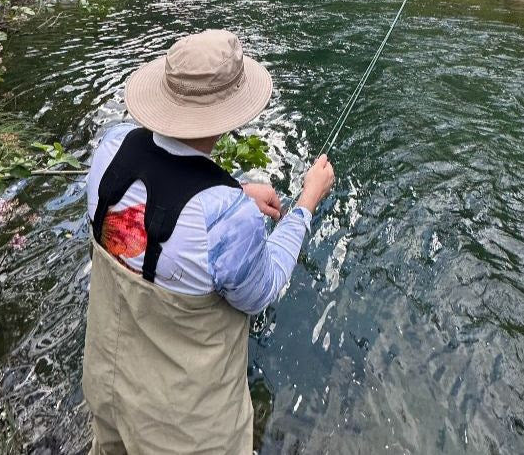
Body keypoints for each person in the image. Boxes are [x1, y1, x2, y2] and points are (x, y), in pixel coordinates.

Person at [82, 29, 335, 454]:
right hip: (184, 426)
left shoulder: (111, 148)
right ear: (231, 112)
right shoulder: (226, 219)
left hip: (107, 383)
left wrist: (236, 190)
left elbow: (161, 196)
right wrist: (307, 202)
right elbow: (264, 288)